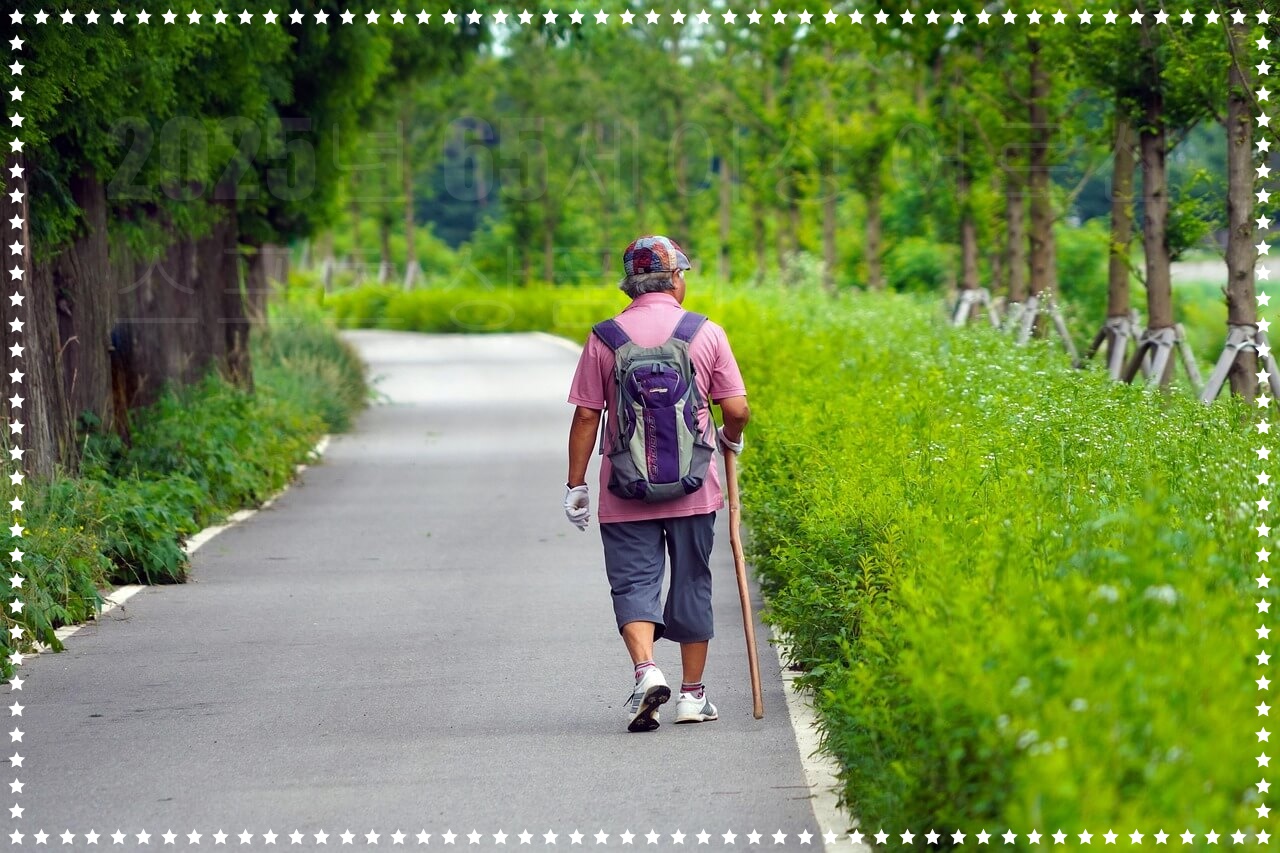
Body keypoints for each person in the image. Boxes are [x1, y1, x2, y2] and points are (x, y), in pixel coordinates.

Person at [563, 235, 750, 733]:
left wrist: (576, 485)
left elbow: (586, 416)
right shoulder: (706, 332)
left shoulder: (604, 337)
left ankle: (647, 671)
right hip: (694, 489)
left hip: (625, 490)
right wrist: (731, 440)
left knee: (633, 583)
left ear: (629, 286)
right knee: (692, 581)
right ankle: (692, 696)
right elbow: (736, 409)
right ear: (676, 279)